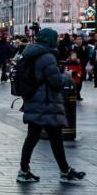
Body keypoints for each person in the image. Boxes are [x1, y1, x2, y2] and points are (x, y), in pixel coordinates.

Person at [16, 28, 85, 184]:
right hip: (46, 103)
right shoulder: (47, 56)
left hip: (35, 100)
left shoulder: (32, 53)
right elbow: (55, 81)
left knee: (36, 138)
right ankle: (63, 171)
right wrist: (67, 76)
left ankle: (26, 170)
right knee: (52, 138)